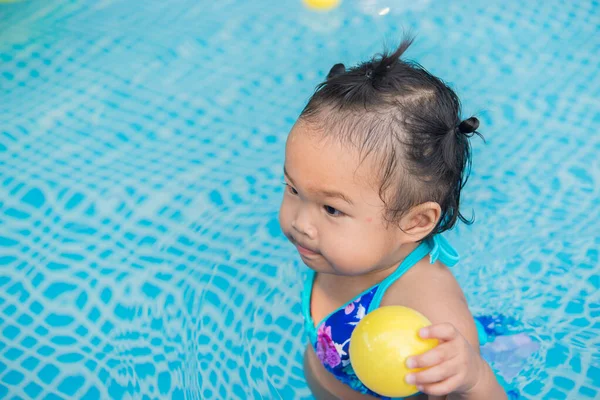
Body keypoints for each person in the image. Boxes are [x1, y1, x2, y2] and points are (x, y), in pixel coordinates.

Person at [278, 37, 509, 399]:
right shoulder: (336, 247)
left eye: (332, 209)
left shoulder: (429, 312)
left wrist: (476, 379)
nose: (300, 223)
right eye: (292, 189)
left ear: (415, 222)